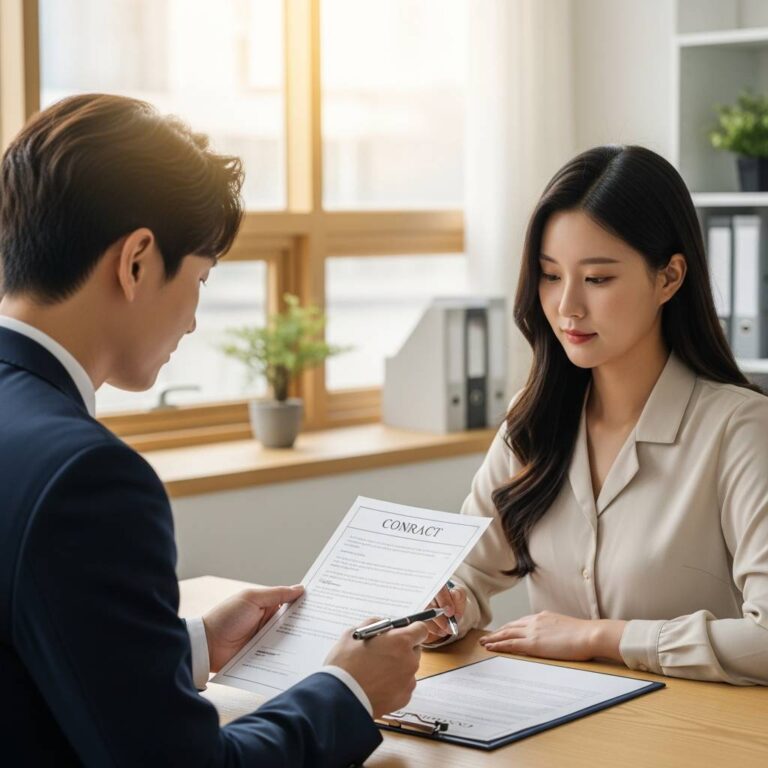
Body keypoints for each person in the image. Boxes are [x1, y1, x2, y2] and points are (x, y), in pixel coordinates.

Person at [0, 93, 427, 767]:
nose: (195, 320)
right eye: (199, 277)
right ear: (137, 261)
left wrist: (193, 643)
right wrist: (347, 689)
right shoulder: (88, 478)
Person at [425, 145, 768, 685]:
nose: (567, 307)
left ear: (669, 278)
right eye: (550, 275)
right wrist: (441, 612)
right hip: (558, 730)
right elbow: (466, 572)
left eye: (598, 278)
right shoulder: (532, 420)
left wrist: (600, 636)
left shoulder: (740, 429)